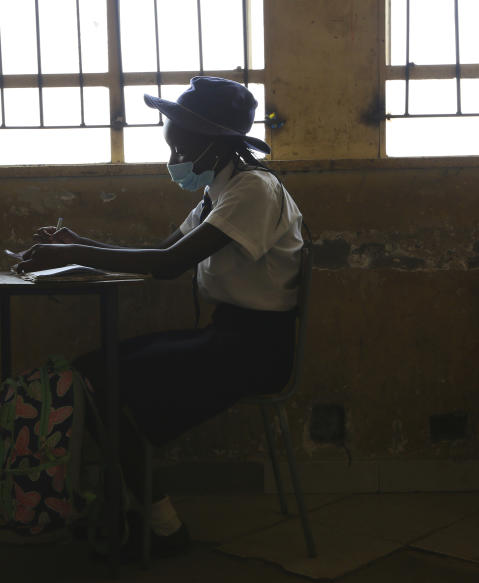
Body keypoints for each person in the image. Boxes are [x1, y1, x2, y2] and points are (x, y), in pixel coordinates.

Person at [15, 76, 306, 556]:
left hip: (257, 350)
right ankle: (148, 515)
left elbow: (169, 266)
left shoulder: (253, 191)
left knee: (98, 379)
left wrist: (75, 253)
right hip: (228, 337)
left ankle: (161, 527)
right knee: (92, 374)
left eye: (181, 146)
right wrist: (76, 246)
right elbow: (166, 251)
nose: (175, 159)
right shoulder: (219, 191)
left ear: (216, 143)